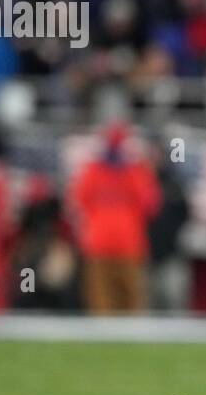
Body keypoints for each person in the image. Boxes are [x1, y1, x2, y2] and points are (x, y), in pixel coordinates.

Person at [69, 121, 162, 314]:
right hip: (113, 247)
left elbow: (151, 205)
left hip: (115, 246)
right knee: (118, 305)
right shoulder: (133, 172)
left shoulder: (98, 171)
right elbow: (152, 206)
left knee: (114, 305)